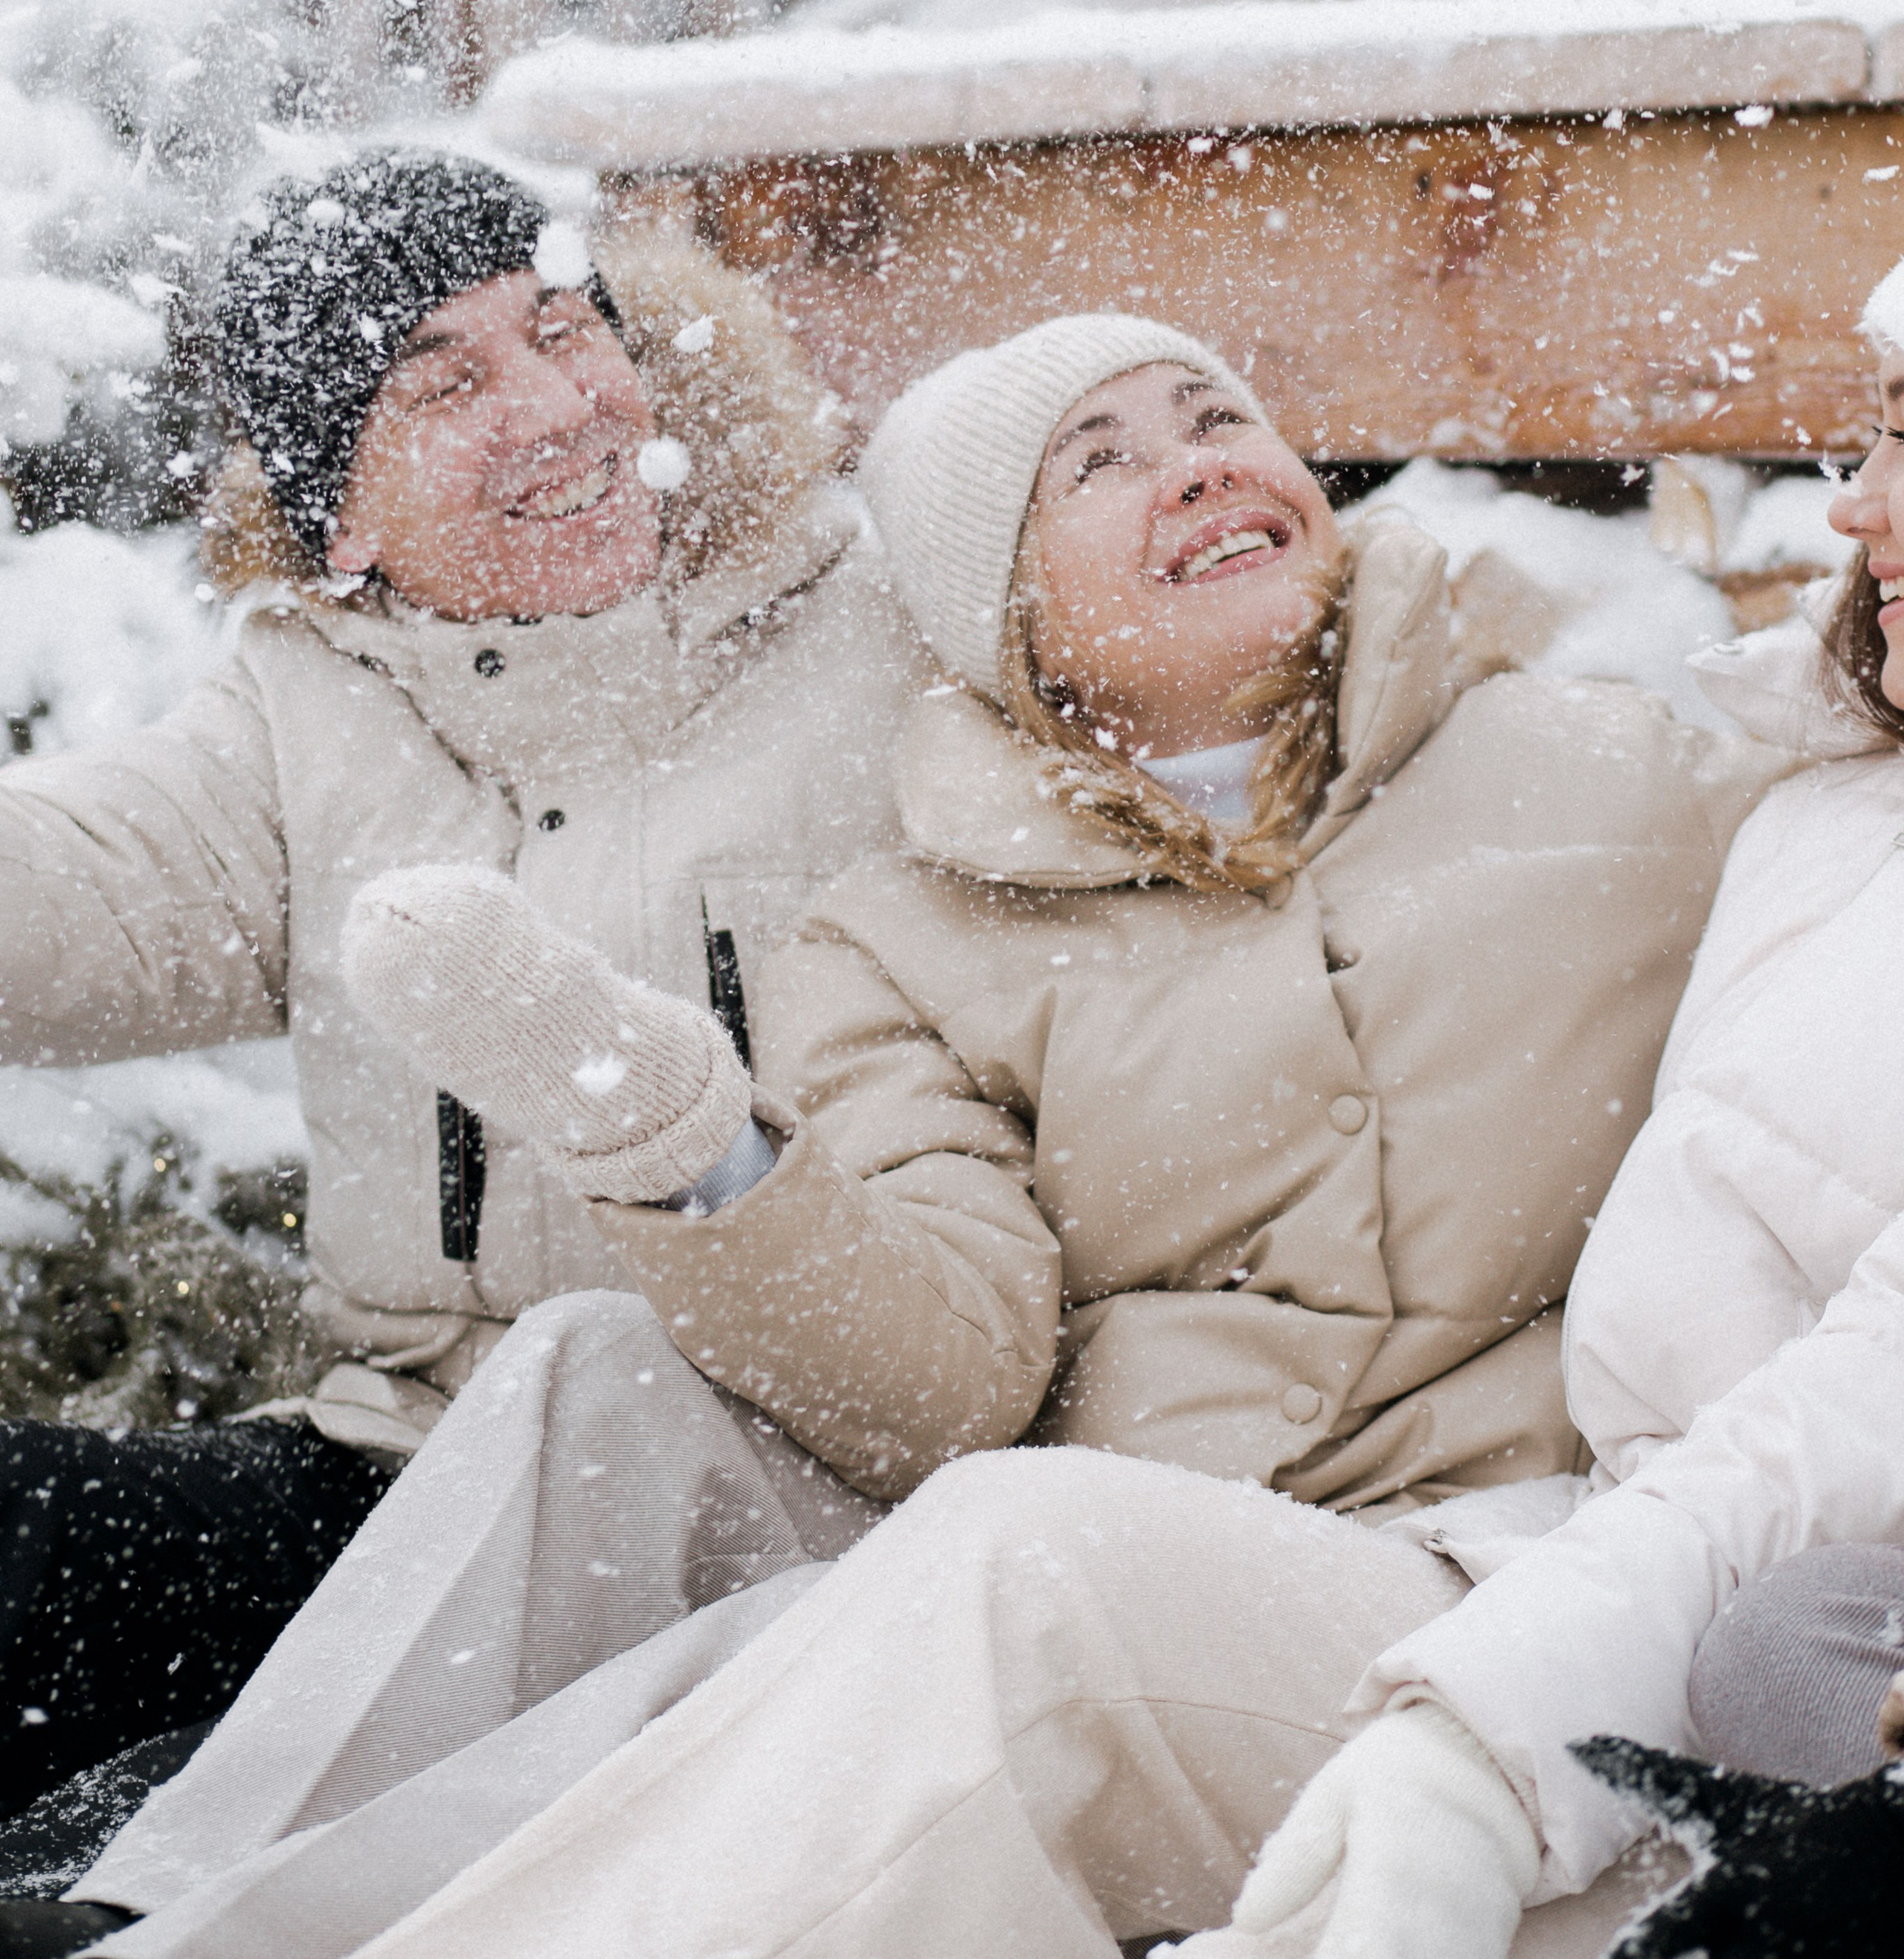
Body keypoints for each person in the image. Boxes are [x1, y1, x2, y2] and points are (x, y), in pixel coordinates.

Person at [66, 312, 1778, 1959]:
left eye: (1211, 419)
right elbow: (945, 1378)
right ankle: (177, 1922)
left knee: (1004, 1563)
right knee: (612, 1380)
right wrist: (667, 1131)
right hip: (1135, 1538)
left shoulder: (1623, 779)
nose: (1189, 469)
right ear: (1000, 614)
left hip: (1499, 1575)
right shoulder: (909, 937)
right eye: (1091, 464)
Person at [0, 147, 928, 1845]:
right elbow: (56, 888)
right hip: (407, 1478)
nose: (554, 409)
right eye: (446, 384)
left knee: (163, 1849)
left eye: (567, 333)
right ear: (336, 513)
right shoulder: (310, 715)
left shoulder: (885, 635)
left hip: (796, 1488)